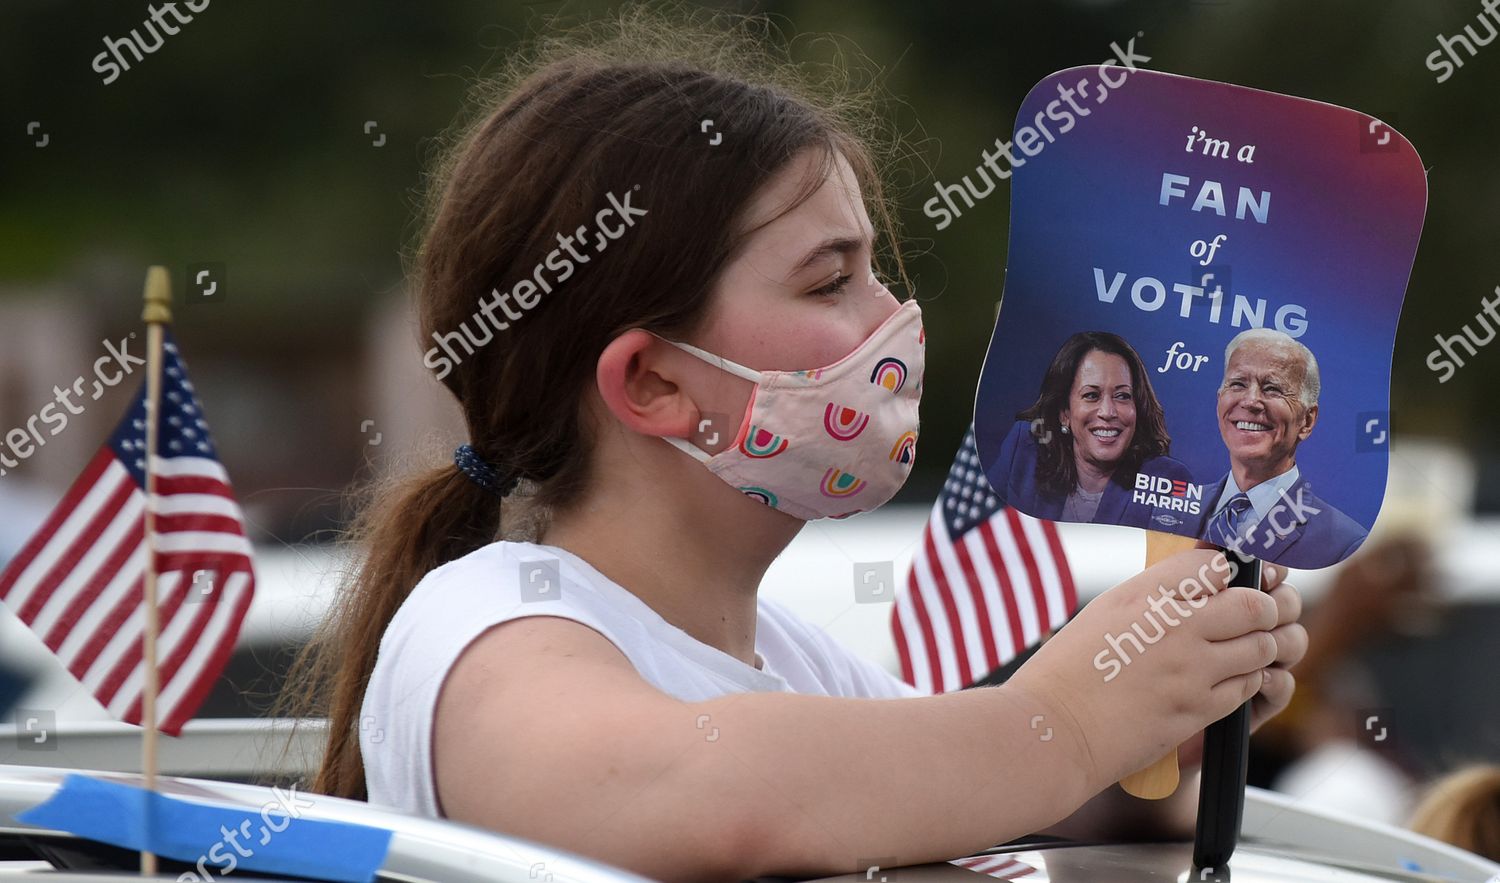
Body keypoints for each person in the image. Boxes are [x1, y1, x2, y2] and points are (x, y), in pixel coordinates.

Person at [275, 11, 1307, 882]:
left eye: (873, 270)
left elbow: (976, 789)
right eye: (829, 281)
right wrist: (1067, 717)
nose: (892, 314)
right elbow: (715, 792)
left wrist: (1158, 736)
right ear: (653, 383)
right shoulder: (488, 623)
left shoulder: (796, 664)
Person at [1188, 328, 1367, 567]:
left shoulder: (1344, 546)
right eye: (1238, 384)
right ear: (1220, 398)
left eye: (1272, 388)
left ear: (1307, 420)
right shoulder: (1169, 509)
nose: (1251, 401)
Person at [992, 331, 1193, 529]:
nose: (1107, 412)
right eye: (1091, 395)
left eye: (1122, 396)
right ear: (1065, 413)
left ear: (1137, 408)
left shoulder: (1167, 479)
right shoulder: (1024, 450)